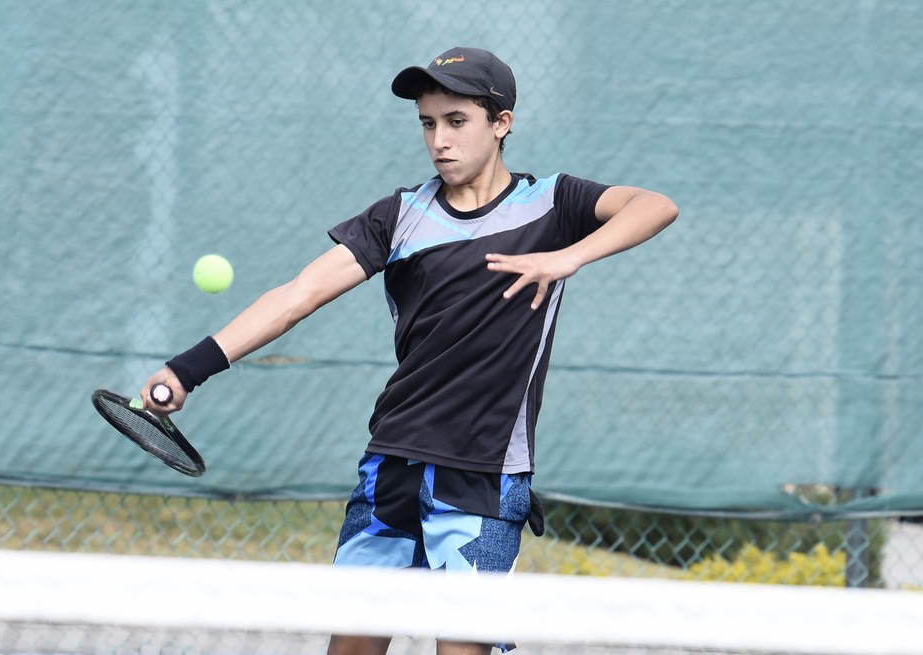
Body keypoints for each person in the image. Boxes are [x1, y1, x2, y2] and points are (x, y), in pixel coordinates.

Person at [142, 46, 678, 655]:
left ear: (501, 122)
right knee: (353, 645)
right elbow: (297, 295)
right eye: (428, 123)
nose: (439, 140)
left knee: (461, 648)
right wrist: (187, 371)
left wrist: (567, 255)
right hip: (392, 461)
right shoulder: (399, 217)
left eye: (457, 121)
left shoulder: (553, 204)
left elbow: (655, 205)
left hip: (484, 471)